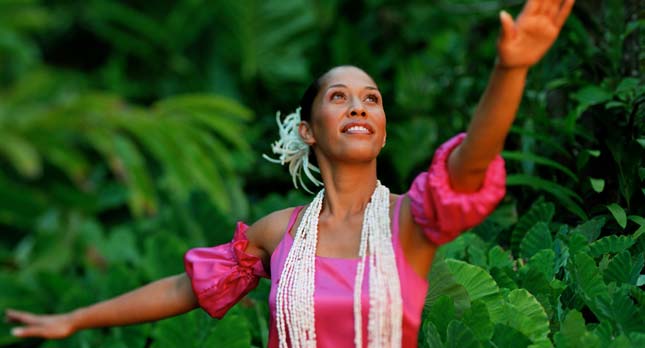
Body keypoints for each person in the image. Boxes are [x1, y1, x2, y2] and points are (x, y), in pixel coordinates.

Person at [5, 0, 574, 347]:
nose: (359, 106)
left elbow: (472, 159)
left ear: (381, 126)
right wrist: (75, 319)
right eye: (339, 96)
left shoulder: (410, 219)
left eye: (371, 99)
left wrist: (510, 68)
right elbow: (186, 288)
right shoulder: (278, 232)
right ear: (308, 129)